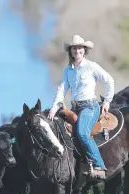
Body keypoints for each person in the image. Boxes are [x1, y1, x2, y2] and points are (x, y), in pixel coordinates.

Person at [48, 34, 114, 180]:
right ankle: (81, 163)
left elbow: (109, 80)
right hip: (75, 108)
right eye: (74, 49)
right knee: (63, 133)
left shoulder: (92, 67)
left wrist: (107, 101)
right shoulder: (68, 71)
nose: (77, 51)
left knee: (83, 133)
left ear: (84, 50)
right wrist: (53, 108)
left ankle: (100, 166)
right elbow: (62, 89)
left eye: (79, 48)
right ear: (70, 51)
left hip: (90, 107)